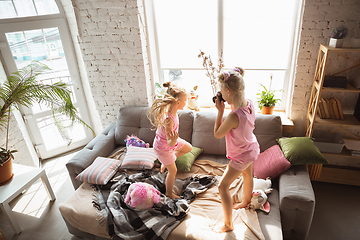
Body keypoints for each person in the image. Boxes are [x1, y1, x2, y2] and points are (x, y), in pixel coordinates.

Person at [212, 67, 260, 233]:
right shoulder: (250, 104)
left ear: (227, 91)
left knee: (222, 187)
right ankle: (246, 201)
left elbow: (217, 134)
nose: (220, 95)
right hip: (251, 148)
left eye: (221, 91)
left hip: (241, 155)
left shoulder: (233, 116)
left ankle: (228, 224)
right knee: (248, 176)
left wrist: (220, 112)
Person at [148, 82, 192, 199]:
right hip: (164, 147)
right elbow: (169, 143)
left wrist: (174, 140)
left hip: (170, 142)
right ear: (177, 103)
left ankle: (166, 162)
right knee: (173, 171)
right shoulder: (169, 119)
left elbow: (172, 141)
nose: (186, 102)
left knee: (188, 148)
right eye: (185, 100)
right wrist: (173, 140)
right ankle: (169, 193)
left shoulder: (174, 112)